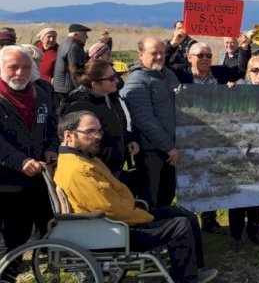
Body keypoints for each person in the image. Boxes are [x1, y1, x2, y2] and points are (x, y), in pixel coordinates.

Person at [54, 111, 217, 283]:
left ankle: (194, 270)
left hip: (117, 221)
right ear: (68, 135)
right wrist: (144, 216)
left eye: (99, 131)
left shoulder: (83, 160)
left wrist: (138, 209)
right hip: (114, 230)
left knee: (183, 213)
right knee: (180, 225)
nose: (97, 136)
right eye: (90, 131)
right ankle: (184, 279)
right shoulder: (78, 169)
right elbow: (109, 208)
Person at [174, 42, 245, 234]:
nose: (205, 59)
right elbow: (162, 63)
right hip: (189, 137)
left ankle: (209, 220)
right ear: (189, 57)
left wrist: (244, 48)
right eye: (200, 55)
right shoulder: (180, 76)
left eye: (208, 55)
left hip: (216, 134)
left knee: (212, 176)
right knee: (193, 178)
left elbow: (241, 70)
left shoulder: (220, 74)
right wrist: (174, 42)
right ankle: (188, 222)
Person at [0, 46, 57, 258]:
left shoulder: (39, 94)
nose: (19, 73)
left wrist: (51, 148)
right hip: (5, 181)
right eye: (12, 67)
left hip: (34, 178)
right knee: (9, 239)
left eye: (25, 68)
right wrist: (20, 161)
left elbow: (52, 125)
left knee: (21, 235)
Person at [120, 37, 180, 208]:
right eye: (154, 53)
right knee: (150, 196)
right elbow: (145, 120)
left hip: (171, 149)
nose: (160, 57)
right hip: (151, 150)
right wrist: (168, 147)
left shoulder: (168, 75)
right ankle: (151, 231)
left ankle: (168, 228)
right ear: (141, 54)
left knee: (167, 193)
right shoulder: (137, 81)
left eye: (161, 53)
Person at [59, 59, 139, 180]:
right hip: (94, 174)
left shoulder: (109, 97)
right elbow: (78, 145)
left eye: (115, 75)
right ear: (95, 84)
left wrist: (128, 139)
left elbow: (115, 127)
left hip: (112, 170)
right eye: (111, 78)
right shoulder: (78, 106)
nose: (116, 81)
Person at [227, 55, 259, 246]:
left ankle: (254, 228)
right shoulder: (237, 89)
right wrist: (229, 91)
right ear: (248, 72)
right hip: (241, 142)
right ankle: (236, 234)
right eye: (255, 70)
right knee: (240, 188)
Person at [52, 23, 91, 100]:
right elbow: (74, 69)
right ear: (76, 35)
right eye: (84, 34)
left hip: (60, 86)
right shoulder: (73, 47)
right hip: (67, 88)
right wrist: (80, 88)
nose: (87, 37)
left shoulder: (65, 44)